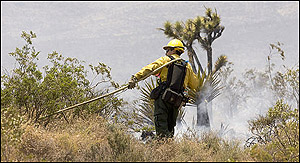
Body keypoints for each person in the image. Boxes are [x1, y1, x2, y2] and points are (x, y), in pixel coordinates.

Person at [128, 39, 199, 138]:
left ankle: (163, 148)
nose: (166, 53)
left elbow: (150, 68)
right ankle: (169, 148)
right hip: (176, 101)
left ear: (173, 50)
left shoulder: (166, 60)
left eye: (168, 50)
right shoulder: (187, 66)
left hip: (163, 98)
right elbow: (195, 85)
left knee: (161, 126)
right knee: (170, 128)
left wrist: (135, 78)